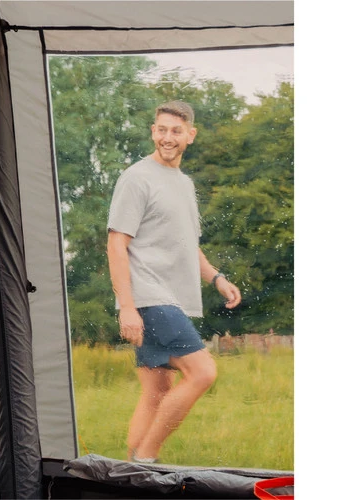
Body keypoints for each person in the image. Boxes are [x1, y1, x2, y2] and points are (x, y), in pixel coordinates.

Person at [106, 100, 241, 463]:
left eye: (176, 131)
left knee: (156, 391)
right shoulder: (137, 177)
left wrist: (217, 278)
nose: (168, 138)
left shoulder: (183, 184)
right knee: (202, 372)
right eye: (162, 130)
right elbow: (116, 243)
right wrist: (127, 307)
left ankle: (131, 475)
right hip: (149, 297)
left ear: (190, 135)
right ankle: (147, 460)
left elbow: (186, 244)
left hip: (167, 298)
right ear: (153, 131)